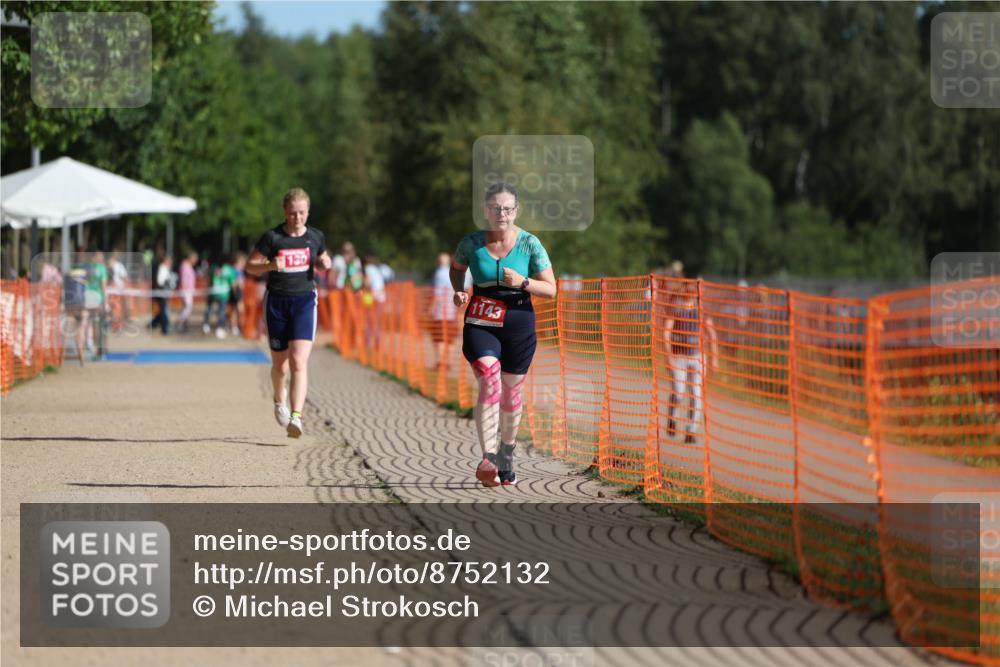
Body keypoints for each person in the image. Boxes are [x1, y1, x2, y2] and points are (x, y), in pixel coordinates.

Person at [450, 183, 557, 487]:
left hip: (519, 324)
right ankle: (488, 457)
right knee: (489, 377)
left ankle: (507, 453)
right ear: (486, 210)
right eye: (496, 208)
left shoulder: (530, 244)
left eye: (508, 209)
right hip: (481, 320)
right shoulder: (471, 244)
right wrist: (459, 290)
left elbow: (551, 289)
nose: (502, 214)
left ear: (516, 211)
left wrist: (523, 282)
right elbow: (456, 268)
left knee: (511, 392)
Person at [246, 187, 332, 439]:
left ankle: (297, 416)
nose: (297, 218)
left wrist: (325, 264)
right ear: (285, 212)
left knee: (298, 361)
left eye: (302, 213)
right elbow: (251, 267)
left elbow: (322, 259)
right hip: (276, 303)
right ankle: (278, 399)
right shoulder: (272, 238)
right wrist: (270, 265)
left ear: (308, 212)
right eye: (293, 213)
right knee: (280, 367)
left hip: (304, 301)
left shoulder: (315, 237)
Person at [662, 286, 719, 444]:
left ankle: (691, 431)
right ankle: (672, 418)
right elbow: (666, 331)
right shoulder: (676, 309)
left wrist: (714, 357)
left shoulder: (701, 311)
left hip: (697, 358)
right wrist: (668, 356)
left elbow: (711, 333)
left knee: (696, 394)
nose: (691, 294)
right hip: (679, 356)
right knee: (679, 393)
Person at [429, 252, 459, 368]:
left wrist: (431, 308)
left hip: (440, 312)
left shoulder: (439, 274)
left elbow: (437, 293)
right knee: (450, 339)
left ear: (438, 262)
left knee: (439, 337)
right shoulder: (455, 273)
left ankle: (440, 362)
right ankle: (449, 362)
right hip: (452, 311)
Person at [150, 255, 174, 335]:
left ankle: (153, 324)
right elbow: (160, 281)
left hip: (164, 293)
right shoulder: (162, 268)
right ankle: (164, 328)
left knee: (162, 311)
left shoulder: (166, 269)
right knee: (164, 311)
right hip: (161, 293)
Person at [177, 251, 198, 333]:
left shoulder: (188, 266)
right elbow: (184, 279)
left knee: (186, 308)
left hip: (189, 291)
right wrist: (185, 290)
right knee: (188, 307)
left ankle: (184, 326)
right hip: (186, 291)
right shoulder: (185, 266)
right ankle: (180, 321)